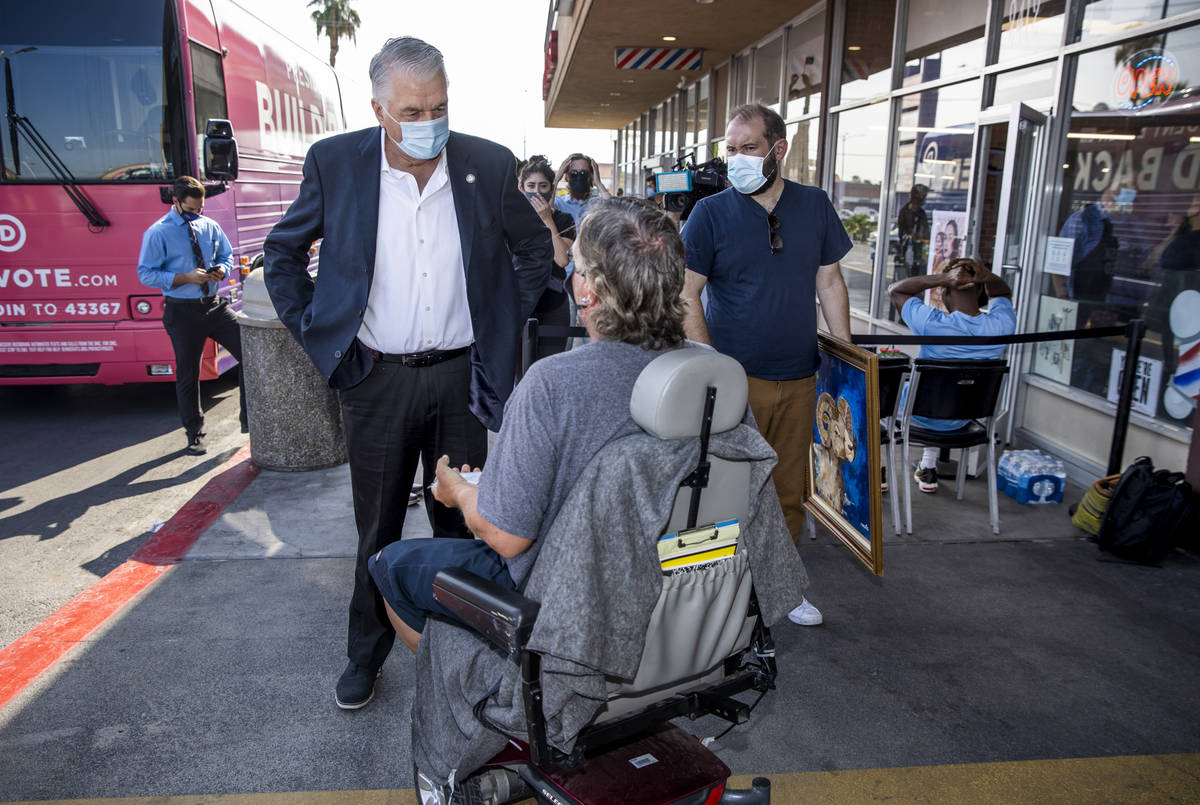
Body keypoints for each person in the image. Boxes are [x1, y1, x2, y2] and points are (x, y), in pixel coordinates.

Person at [262, 36, 551, 711]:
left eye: (440, 106)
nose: (430, 122)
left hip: (462, 379)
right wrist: (324, 340)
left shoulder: (485, 162)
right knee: (378, 527)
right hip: (376, 380)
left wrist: (500, 323)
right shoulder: (336, 163)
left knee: (465, 523)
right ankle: (366, 654)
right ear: (380, 109)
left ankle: (464, 657)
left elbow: (533, 247)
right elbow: (282, 253)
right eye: (414, 111)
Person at [367, 197, 697, 650]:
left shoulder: (553, 383)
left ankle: (478, 690)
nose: (570, 274)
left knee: (389, 563)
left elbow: (507, 537)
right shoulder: (710, 373)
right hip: (679, 580)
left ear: (588, 293)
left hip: (567, 590)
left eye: (576, 265)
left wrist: (458, 491)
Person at [680, 103, 853, 628]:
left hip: (801, 377)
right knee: (724, 491)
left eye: (748, 148)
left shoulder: (815, 206)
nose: (737, 159)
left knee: (788, 490)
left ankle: (781, 588)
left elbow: (829, 282)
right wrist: (711, 366)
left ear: (779, 149)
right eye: (730, 149)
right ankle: (715, 598)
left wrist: (846, 364)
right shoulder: (710, 214)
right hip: (736, 381)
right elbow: (687, 295)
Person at [136, 175, 247, 455]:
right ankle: (194, 433)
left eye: (200, 209)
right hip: (182, 310)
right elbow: (145, 273)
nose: (196, 215)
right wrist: (183, 277)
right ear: (175, 202)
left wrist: (221, 269)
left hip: (213, 305)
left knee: (251, 354)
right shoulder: (158, 232)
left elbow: (227, 254)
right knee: (188, 373)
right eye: (190, 210)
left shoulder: (208, 225)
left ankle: (250, 420)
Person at [887, 257, 1016, 492]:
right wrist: (987, 276)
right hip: (964, 416)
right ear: (981, 290)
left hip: (916, 415)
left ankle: (878, 473)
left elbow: (896, 290)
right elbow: (1003, 293)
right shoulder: (1002, 326)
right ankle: (927, 466)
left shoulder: (931, 323)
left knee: (872, 392)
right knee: (941, 396)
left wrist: (942, 278)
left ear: (945, 293)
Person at [519, 155, 575, 359]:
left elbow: (561, 259)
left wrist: (547, 219)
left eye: (542, 186)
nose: (536, 191)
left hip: (552, 305)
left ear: (551, 188)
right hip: (519, 302)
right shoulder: (512, 219)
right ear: (521, 187)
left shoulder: (563, 219)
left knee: (549, 363)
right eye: (531, 185)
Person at [553, 152, 611, 233]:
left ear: (591, 176)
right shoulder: (558, 203)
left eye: (583, 173)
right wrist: (556, 180)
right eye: (573, 173)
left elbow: (615, 211)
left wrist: (598, 183)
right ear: (566, 176)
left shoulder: (598, 203)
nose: (579, 177)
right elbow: (544, 213)